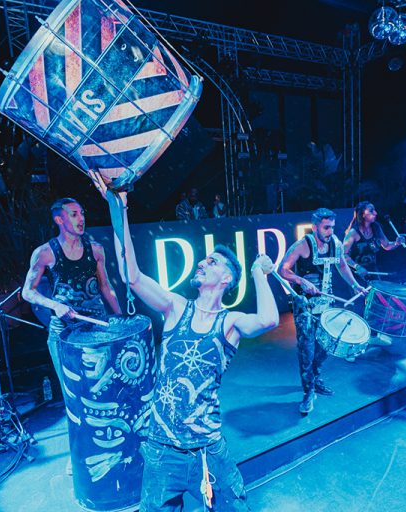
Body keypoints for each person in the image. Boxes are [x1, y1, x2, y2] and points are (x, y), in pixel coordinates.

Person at [89, 171, 279, 511]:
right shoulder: (176, 307)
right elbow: (132, 275)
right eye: (204, 259)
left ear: (226, 278)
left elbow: (268, 319)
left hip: (208, 450)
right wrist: (119, 209)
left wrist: (257, 273)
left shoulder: (229, 323)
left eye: (212, 262)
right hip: (162, 450)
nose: (203, 262)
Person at [21, 197, 122, 392]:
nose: (81, 218)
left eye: (82, 213)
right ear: (59, 220)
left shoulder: (96, 249)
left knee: (103, 390)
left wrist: (119, 319)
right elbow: (27, 291)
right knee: (73, 392)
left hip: (96, 326)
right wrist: (55, 305)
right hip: (64, 330)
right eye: (74, 214)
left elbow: (105, 286)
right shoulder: (45, 252)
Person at [280, 208, 369, 415]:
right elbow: (283, 269)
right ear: (315, 227)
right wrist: (301, 280)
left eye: (332, 227)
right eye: (326, 227)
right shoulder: (303, 245)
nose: (330, 232)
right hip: (305, 306)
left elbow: (342, 266)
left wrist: (355, 285)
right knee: (307, 349)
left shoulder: (335, 243)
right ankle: (308, 391)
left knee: (325, 346)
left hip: (326, 305)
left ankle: (316, 378)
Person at [343, 201, 405, 282]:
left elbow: (386, 246)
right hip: (355, 274)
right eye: (371, 211)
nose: (375, 213)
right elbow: (343, 254)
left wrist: (397, 243)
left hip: (373, 271)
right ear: (363, 214)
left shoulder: (376, 228)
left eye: (374, 210)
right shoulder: (353, 232)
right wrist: (357, 267)